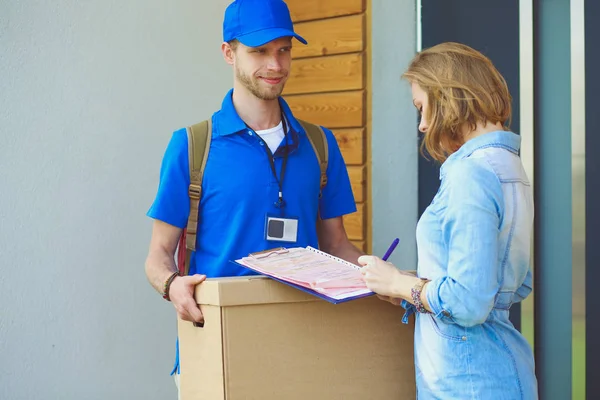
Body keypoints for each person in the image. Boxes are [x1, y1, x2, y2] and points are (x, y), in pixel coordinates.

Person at [144, 0, 363, 395]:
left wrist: (387, 279)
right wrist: (172, 285)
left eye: (284, 50)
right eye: (259, 51)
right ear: (229, 53)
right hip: (214, 346)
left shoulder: (320, 144)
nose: (275, 65)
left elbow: (337, 245)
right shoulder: (192, 146)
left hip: (305, 349)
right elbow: (158, 255)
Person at [358, 42, 538, 399]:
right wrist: (419, 287)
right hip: (497, 369)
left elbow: (469, 301)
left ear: (448, 97)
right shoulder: (508, 166)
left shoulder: (470, 173)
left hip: (468, 378)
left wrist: (398, 284)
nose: (423, 125)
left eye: (422, 108)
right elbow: (511, 283)